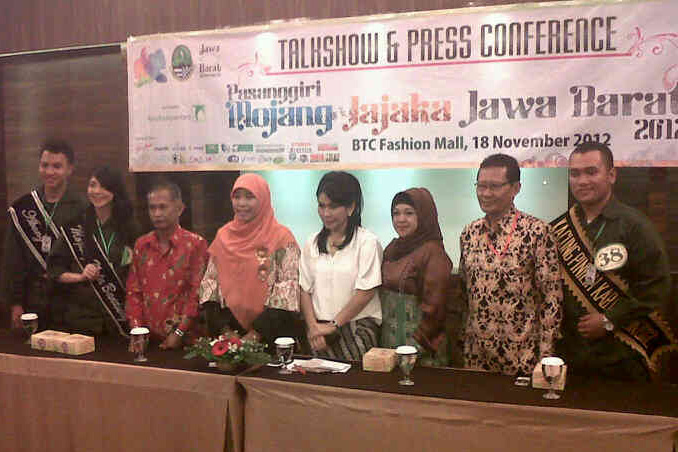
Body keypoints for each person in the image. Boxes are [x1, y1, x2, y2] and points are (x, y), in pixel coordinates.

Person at [552, 141, 676, 381]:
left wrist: (610, 320)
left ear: (611, 175)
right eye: (575, 174)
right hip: (571, 354)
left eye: (591, 172)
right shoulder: (559, 228)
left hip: (621, 355)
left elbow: (656, 287)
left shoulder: (635, 226)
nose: (582, 181)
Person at [459, 154, 562, 376]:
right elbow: (466, 294)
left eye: (494, 186)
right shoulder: (469, 233)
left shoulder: (537, 232)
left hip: (523, 360)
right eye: (481, 186)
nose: (486, 193)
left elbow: (551, 299)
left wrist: (545, 359)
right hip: (477, 359)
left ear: (516, 188)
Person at [199, 173, 302, 348]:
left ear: (263, 199)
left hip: (271, 336)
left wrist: (253, 336)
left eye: (249, 197)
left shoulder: (282, 238)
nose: (241, 203)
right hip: (228, 337)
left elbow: (287, 291)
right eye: (237, 197)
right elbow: (210, 286)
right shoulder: (223, 236)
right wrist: (227, 334)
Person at [2, 140, 87, 330]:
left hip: (72, 304)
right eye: (45, 165)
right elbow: (13, 262)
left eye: (57, 166)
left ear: (70, 169)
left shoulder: (83, 208)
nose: (49, 172)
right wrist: (15, 303)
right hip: (33, 301)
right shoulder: (23, 208)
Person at [300, 171, 382, 361]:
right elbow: (304, 289)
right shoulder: (312, 242)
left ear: (351, 207)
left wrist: (333, 325)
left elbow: (366, 292)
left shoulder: (367, 242)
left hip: (357, 330)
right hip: (318, 333)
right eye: (321, 206)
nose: (326, 213)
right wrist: (313, 327)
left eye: (333, 206)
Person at [48, 167, 139, 336]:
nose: (97, 191)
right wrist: (80, 276)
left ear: (115, 191)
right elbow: (54, 270)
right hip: (81, 318)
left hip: (119, 318)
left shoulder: (130, 228)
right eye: (92, 185)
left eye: (104, 187)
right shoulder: (75, 226)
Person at [380, 188, 462, 366]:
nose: (401, 219)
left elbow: (435, 307)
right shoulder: (393, 248)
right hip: (390, 344)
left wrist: (415, 345)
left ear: (424, 216)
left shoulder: (433, 253)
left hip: (421, 347)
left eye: (409, 213)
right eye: (396, 213)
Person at [126, 180, 208, 349]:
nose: (157, 213)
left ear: (180, 208)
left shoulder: (195, 245)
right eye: (152, 208)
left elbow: (197, 294)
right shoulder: (142, 245)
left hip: (187, 341)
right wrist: (137, 331)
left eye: (163, 207)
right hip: (149, 340)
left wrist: (179, 333)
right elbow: (134, 291)